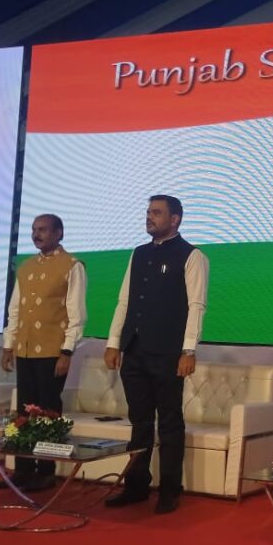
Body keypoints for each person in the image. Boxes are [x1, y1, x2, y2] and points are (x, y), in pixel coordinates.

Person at [104, 195, 208, 515]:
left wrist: (188, 350)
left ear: (175, 219)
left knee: (170, 422)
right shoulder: (139, 253)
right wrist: (113, 342)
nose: (150, 217)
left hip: (168, 353)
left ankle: (170, 489)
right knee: (140, 421)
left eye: (157, 213)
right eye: (149, 212)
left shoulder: (192, 256)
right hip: (135, 350)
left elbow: (196, 306)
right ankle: (136, 485)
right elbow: (124, 300)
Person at [0, 214, 86, 492]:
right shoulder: (25, 267)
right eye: (34, 230)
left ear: (58, 233)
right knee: (25, 409)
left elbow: (77, 314)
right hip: (25, 348)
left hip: (52, 350)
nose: (37, 234)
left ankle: (46, 470)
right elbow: (15, 309)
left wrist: (67, 351)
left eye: (43, 230)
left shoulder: (72, 266)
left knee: (48, 410)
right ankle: (23, 469)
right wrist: (8, 345)